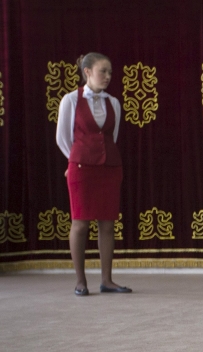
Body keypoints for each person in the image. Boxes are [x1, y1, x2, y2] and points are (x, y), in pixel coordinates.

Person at [56, 52, 131, 296]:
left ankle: (107, 280)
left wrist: (102, 158)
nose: (108, 76)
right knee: (80, 223)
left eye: (110, 72)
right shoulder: (70, 100)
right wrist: (76, 159)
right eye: (103, 71)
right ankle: (80, 281)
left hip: (110, 168)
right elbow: (63, 138)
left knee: (107, 224)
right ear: (87, 72)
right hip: (81, 168)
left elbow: (113, 135)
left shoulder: (114, 102)